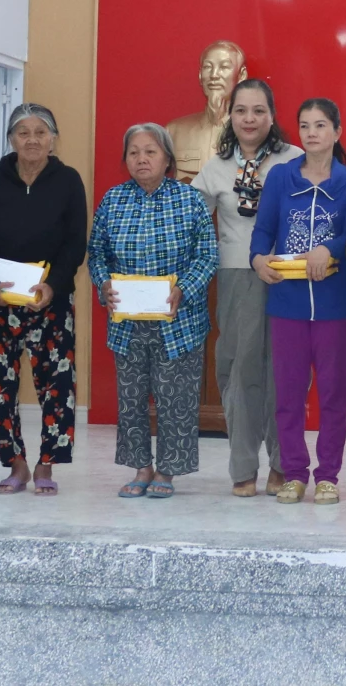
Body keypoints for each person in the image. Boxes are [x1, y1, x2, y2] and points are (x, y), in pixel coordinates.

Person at [89, 123, 218, 499]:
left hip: (178, 320)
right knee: (131, 399)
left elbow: (207, 254)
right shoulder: (113, 200)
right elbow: (96, 253)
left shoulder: (189, 200)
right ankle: (141, 467)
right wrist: (104, 283)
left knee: (175, 399)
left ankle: (167, 470)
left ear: (167, 159)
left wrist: (184, 289)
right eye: (134, 153)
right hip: (127, 323)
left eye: (150, 152)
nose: (141, 159)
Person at [0, 103, 87, 496]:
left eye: (40, 132)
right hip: (0, 300)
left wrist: (53, 285)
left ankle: (46, 463)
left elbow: (75, 243)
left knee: (57, 385)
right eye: (23, 132)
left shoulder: (68, 181)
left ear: (53, 139)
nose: (32, 140)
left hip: (50, 300)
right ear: (11, 139)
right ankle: (16, 463)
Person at [193, 79, 303, 497]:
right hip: (237, 277)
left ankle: (283, 464)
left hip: (289, 278)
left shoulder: (295, 160)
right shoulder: (216, 167)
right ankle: (242, 467)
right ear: (230, 116)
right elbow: (192, 221)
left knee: (284, 372)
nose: (249, 119)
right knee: (239, 370)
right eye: (241, 110)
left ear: (272, 115)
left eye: (259, 110)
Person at [251, 98, 346, 506]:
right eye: (304, 125)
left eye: (320, 125)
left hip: (337, 305)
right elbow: (263, 230)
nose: (312, 133)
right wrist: (257, 259)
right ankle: (295, 474)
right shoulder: (281, 177)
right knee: (288, 396)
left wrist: (328, 249)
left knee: (334, 395)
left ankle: (328, 475)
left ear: (337, 131)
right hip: (288, 304)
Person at [168, 40, 248, 181]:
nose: (214, 75)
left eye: (224, 67)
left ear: (241, 75)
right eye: (207, 67)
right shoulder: (173, 132)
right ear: (200, 76)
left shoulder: (255, 133)